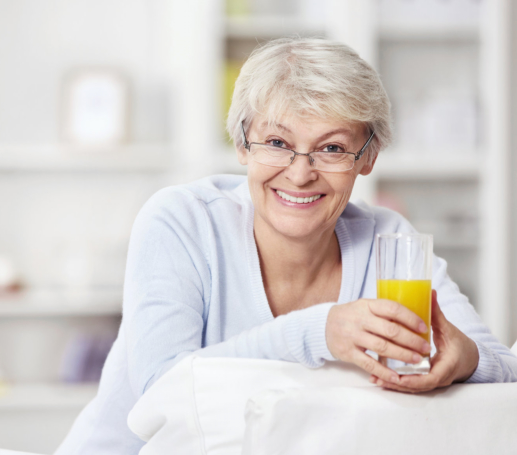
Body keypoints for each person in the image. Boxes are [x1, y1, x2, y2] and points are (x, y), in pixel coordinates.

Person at [54, 37, 517, 455]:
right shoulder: (182, 221)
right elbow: (162, 389)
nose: (300, 174)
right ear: (242, 145)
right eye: (276, 142)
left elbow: (504, 368)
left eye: (332, 149)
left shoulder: (387, 239)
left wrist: (466, 358)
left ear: (368, 157)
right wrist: (320, 332)